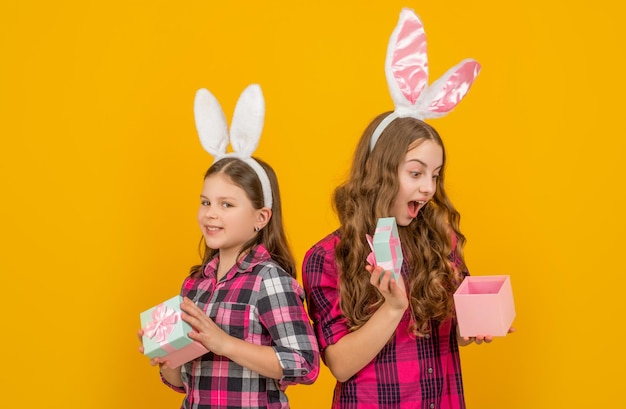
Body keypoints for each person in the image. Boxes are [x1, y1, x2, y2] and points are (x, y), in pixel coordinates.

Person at [302, 9, 510, 408]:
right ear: (376, 169)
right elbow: (340, 364)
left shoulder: (439, 242)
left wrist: (477, 324)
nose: (429, 188)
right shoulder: (327, 257)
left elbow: (451, 333)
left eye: (435, 175)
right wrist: (393, 307)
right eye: (416, 173)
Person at [139, 84, 319, 409]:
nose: (210, 214)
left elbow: (304, 363)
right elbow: (183, 383)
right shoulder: (195, 285)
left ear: (261, 217)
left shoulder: (269, 280)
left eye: (226, 205)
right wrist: (167, 355)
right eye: (206, 202)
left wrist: (224, 343)